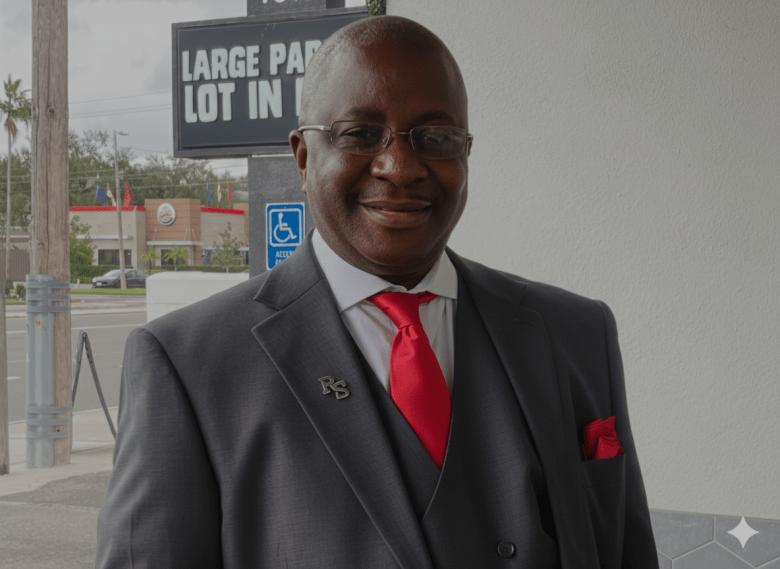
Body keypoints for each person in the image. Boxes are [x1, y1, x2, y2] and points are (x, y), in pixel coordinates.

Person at [96, 15, 658, 569]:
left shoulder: (578, 334)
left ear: (465, 152)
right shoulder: (189, 365)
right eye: (361, 134)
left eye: (434, 137)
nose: (399, 166)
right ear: (302, 155)